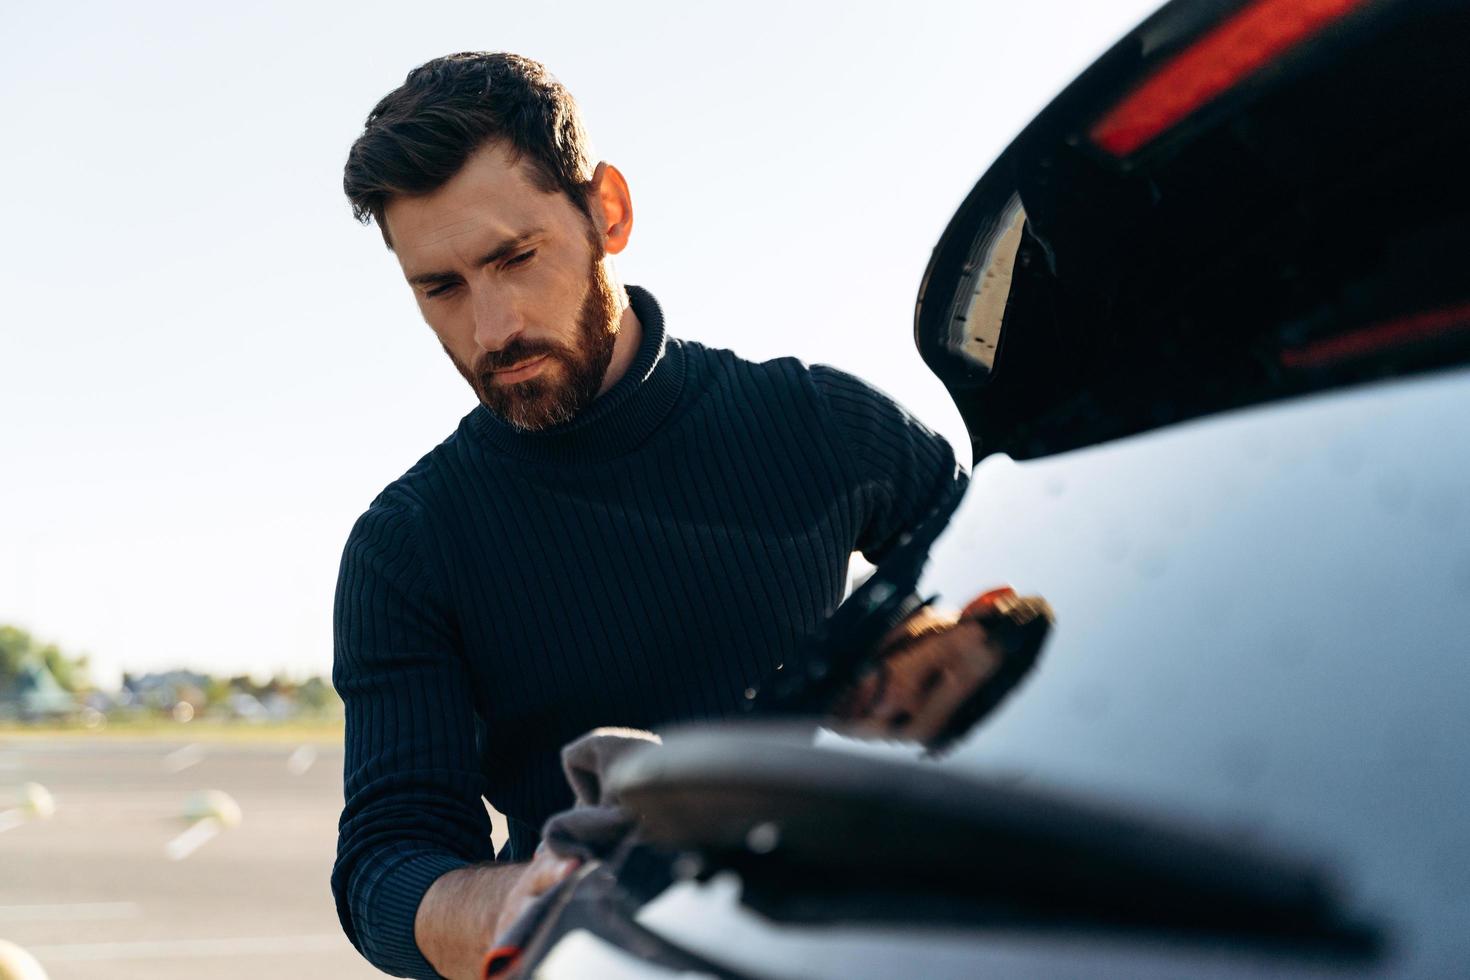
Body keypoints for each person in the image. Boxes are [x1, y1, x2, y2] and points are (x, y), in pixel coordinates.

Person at [332, 52, 1007, 980]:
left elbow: (1037, 616)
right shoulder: (408, 544)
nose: (491, 329)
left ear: (606, 211)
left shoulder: (821, 425)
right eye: (439, 288)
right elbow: (385, 868)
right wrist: (530, 901)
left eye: (514, 258)